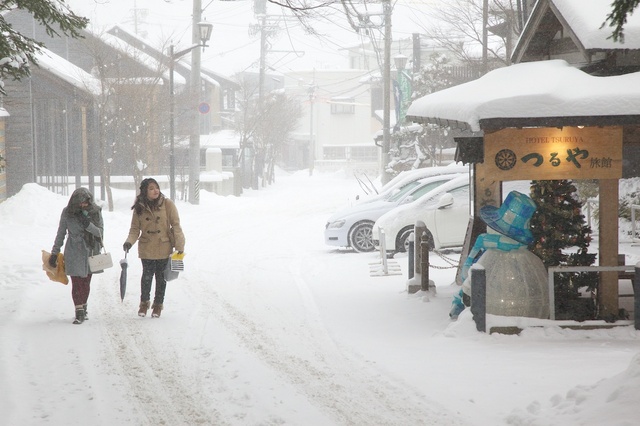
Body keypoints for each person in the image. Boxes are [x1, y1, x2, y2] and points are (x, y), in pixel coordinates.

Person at [123, 178, 185, 318]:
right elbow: (134, 229)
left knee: (161, 278)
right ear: (145, 191)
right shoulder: (139, 207)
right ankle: (144, 304)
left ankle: (158, 305)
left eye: (156, 187)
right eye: (151, 188)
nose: (155, 190)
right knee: (146, 276)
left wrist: (179, 247)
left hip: (164, 246)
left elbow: (176, 226)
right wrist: (129, 242)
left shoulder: (167, 204)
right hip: (146, 247)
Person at [49, 187, 104, 324]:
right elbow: (61, 233)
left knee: (85, 282)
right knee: (77, 282)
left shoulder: (95, 212)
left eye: (86, 202)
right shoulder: (67, 213)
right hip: (74, 250)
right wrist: (54, 253)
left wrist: (88, 224)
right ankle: (78, 310)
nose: (84, 205)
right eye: (81, 202)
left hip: (91, 250)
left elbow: (100, 233)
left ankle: (84, 306)